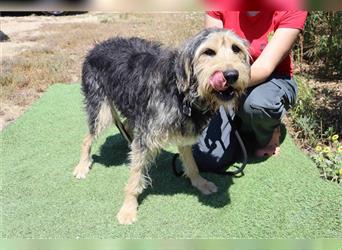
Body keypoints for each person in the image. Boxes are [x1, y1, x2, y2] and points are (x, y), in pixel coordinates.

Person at [192, 11, 308, 171]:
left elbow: (265, 67)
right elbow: (212, 52)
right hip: (226, 79)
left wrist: (226, 83)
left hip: (271, 80)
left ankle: (269, 130)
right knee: (207, 160)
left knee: (258, 104)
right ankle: (239, 123)